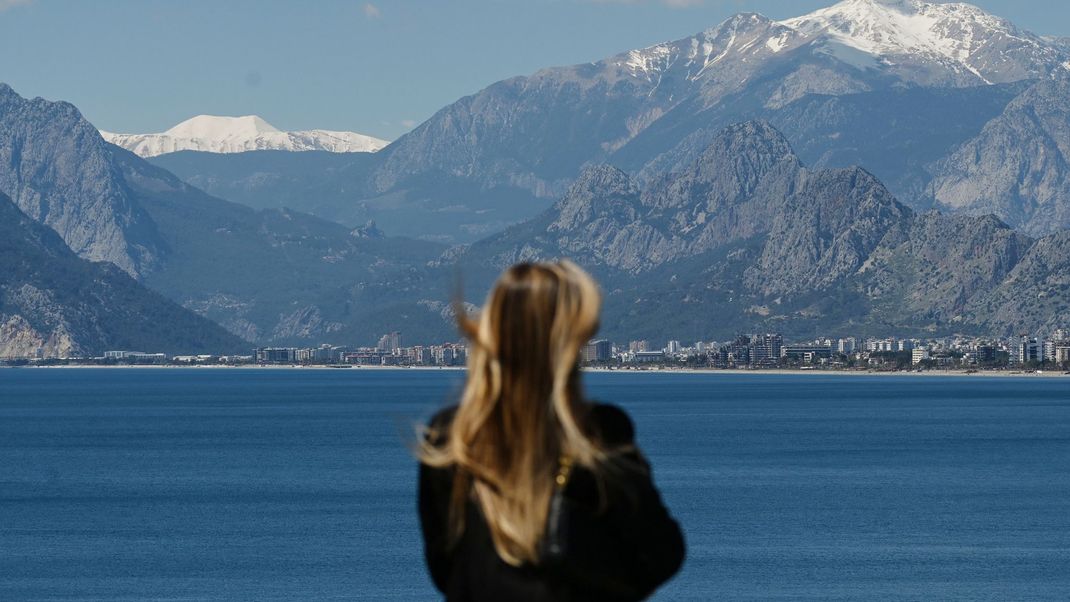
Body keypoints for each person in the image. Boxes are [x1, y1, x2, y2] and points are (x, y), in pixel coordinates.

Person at [417, 260, 685, 601]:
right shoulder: (600, 435)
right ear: (568, 346)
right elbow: (661, 554)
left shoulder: (451, 440)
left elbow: (445, 567)